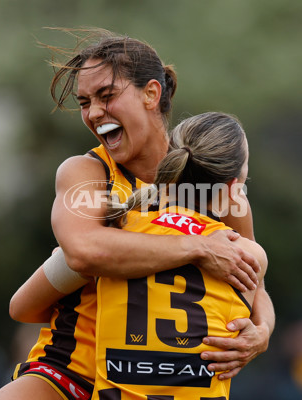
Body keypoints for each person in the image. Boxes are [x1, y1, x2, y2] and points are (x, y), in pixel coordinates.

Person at [0, 28, 274, 400]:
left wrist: (262, 332)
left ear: (152, 94)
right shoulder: (87, 172)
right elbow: (83, 251)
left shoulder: (216, 187)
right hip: (70, 372)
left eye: (106, 96)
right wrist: (197, 248)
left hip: (166, 382)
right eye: (84, 102)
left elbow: (254, 284)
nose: (93, 113)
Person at [93, 111, 268, 399]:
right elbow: (259, 293)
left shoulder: (114, 229)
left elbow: (21, 308)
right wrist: (261, 335)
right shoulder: (247, 254)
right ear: (234, 188)